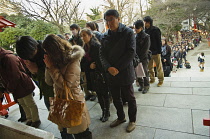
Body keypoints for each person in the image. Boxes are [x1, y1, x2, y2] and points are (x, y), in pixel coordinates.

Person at [43, 34, 91, 139]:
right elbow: (49, 82)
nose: (47, 54)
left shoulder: (73, 58)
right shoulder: (54, 60)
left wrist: (51, 67)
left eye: (48, 51)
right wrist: (48, 67)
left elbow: (67, 85)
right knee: (65, 130)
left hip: (73, 99)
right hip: (60, 100)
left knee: (81, 133)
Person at [100, 9, 137, 132]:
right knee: (116, 98)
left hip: (125, 71)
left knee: (130, 98)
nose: (109, 22)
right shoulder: (105, 35)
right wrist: (108, 67)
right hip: (111, 73)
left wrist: (117, 68)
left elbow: (131, 52)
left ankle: (132, 120)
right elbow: (102, 54)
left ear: (118, 19)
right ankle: (121, 117)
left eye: (111, 19)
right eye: (107, 20)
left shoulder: (128, 32)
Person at [0, 47, 41, 128]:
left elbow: (15, 75)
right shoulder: (3, 58)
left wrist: (9, 88)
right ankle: (29, 119)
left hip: (22, 84)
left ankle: (36, 120)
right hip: (16, 86)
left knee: (29, 103)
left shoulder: (8, 58)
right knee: (23, 103)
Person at [16, 36, 54, 111]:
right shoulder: (28, 56)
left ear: (35, 46)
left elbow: (56, 74)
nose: (31, 57)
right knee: (53, 114)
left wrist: (37, 70)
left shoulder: (48, 51)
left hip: (58, 90)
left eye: (32, 54)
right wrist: (33, 72)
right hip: (46, 91)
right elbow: (36, 78)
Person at [80, 28, 110, 122]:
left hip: (100, 74)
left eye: (84, 35)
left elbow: (101, 61)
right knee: (99, 94)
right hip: (92, 74)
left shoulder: (96, 46)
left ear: (90, 35)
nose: (83, 38)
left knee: (104, 94)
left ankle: (107, 112)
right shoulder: (85, 47)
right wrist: (89, 65)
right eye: (82, 36)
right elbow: (83, 62)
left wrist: (93, 65)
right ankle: (103, 111)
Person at [143, 16, 164, 87]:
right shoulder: (144, 30)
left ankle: (160, 80)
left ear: (148, 22)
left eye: (145, 22)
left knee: (159, 67)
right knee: (149, 67)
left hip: (156, 51)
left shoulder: (156, 30)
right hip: (148, 52)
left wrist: (159, 51)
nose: (144, 23)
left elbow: (159, 41)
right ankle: (152, 78)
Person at [133, 20, 150, 94]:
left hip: (143, 57)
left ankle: (146, 85)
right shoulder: (135, 36)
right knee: (138, 72)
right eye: (135, 28)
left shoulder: (146, 36)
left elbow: (145, 49)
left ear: (141, 28)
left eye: (137, 28)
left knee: (145, 71)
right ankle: (141, 84)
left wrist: (140, 58)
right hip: (136, 57)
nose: (135, 30)